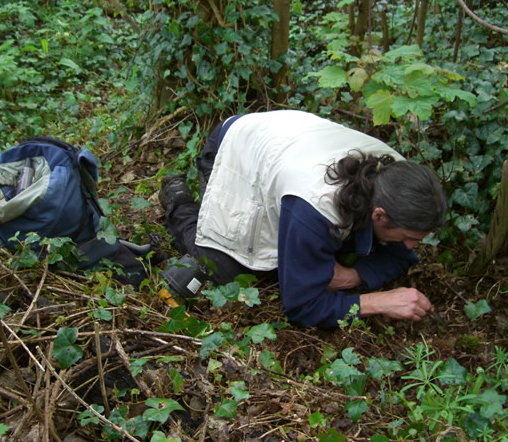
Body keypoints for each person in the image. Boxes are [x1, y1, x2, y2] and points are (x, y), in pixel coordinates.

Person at [159, 110, 447, 328]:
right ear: (379, 214)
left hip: (284, 143)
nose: (411, 246)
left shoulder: (397, 183)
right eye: (409, 237)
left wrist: (352, 276)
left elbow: (400, 258)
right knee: (226, 267)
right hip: (236, 149)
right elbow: (301, 306)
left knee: (309, 258)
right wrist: (378, 301)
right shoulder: (317, 203)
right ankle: (178, 200)